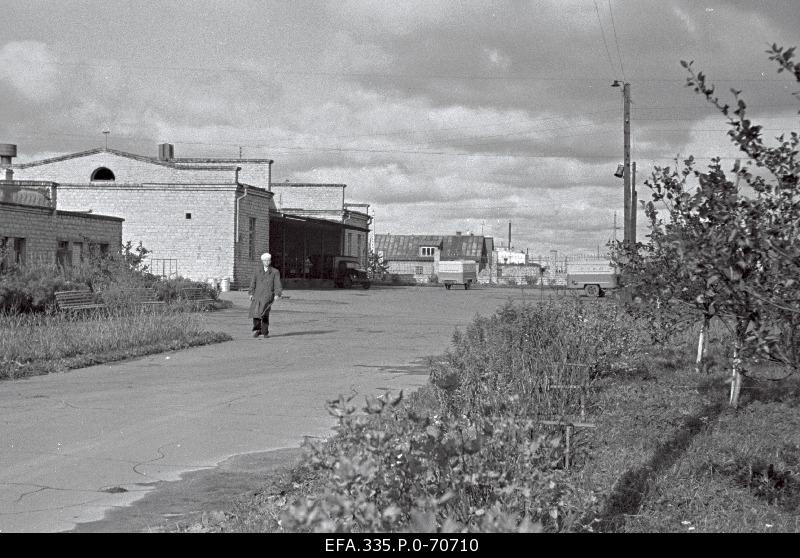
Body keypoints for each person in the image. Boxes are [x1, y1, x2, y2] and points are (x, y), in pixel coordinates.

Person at [248, 252, 283, 338]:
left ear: (270, 261)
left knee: (264, 314)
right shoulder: (257, 271)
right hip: (257, 295)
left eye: (268, 260)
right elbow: (253, 283)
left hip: (268, 296)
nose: (267, 262)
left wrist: (277, 294)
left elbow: (277, 284)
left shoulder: (275, 272)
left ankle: (265, 332)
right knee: (256, 313)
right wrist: (251, 293)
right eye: (265, 260)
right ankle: (257, 330)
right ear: (262, 261)